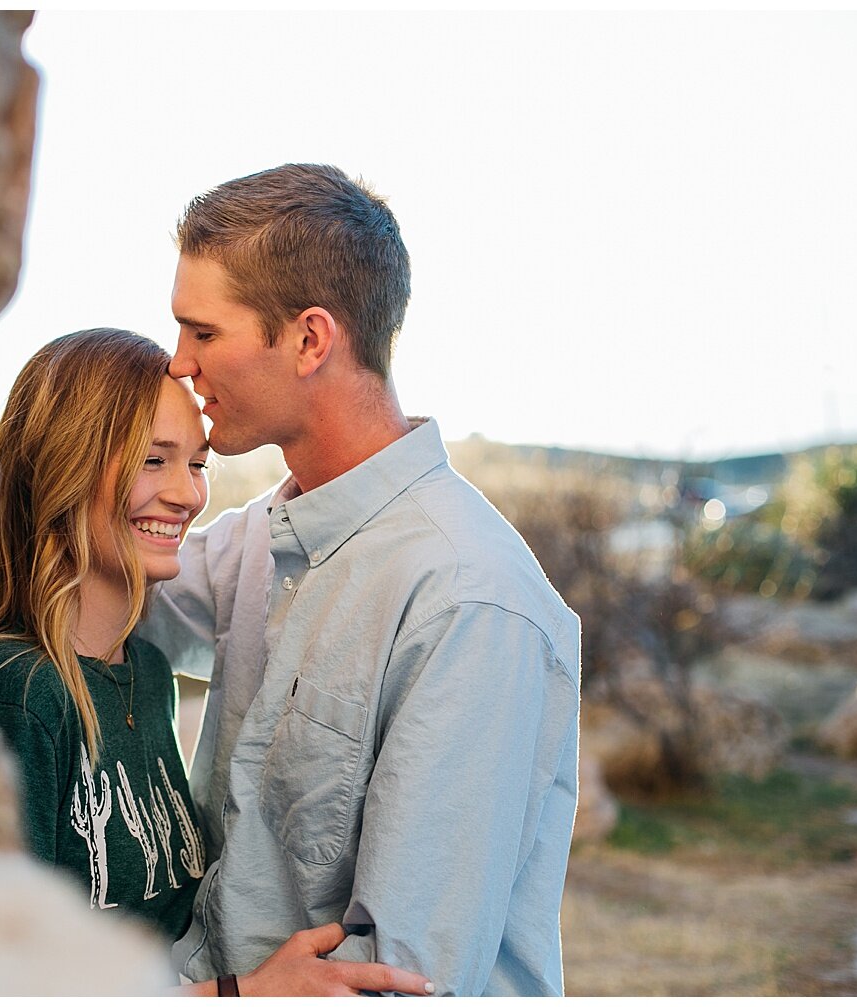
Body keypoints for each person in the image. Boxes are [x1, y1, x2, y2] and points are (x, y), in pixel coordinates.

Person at [141, 164, 582, 996]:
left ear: (310, 339)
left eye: (202, 333)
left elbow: (397, 978)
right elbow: (104, 596)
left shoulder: (468, 600)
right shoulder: (258, 543)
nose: (178, 365)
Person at [0, 327, 434, 996]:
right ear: (63, 463)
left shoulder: (148, 673)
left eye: (196, 464)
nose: (187, 495)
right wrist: (238, 994)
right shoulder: (20, 696)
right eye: (154, 460)